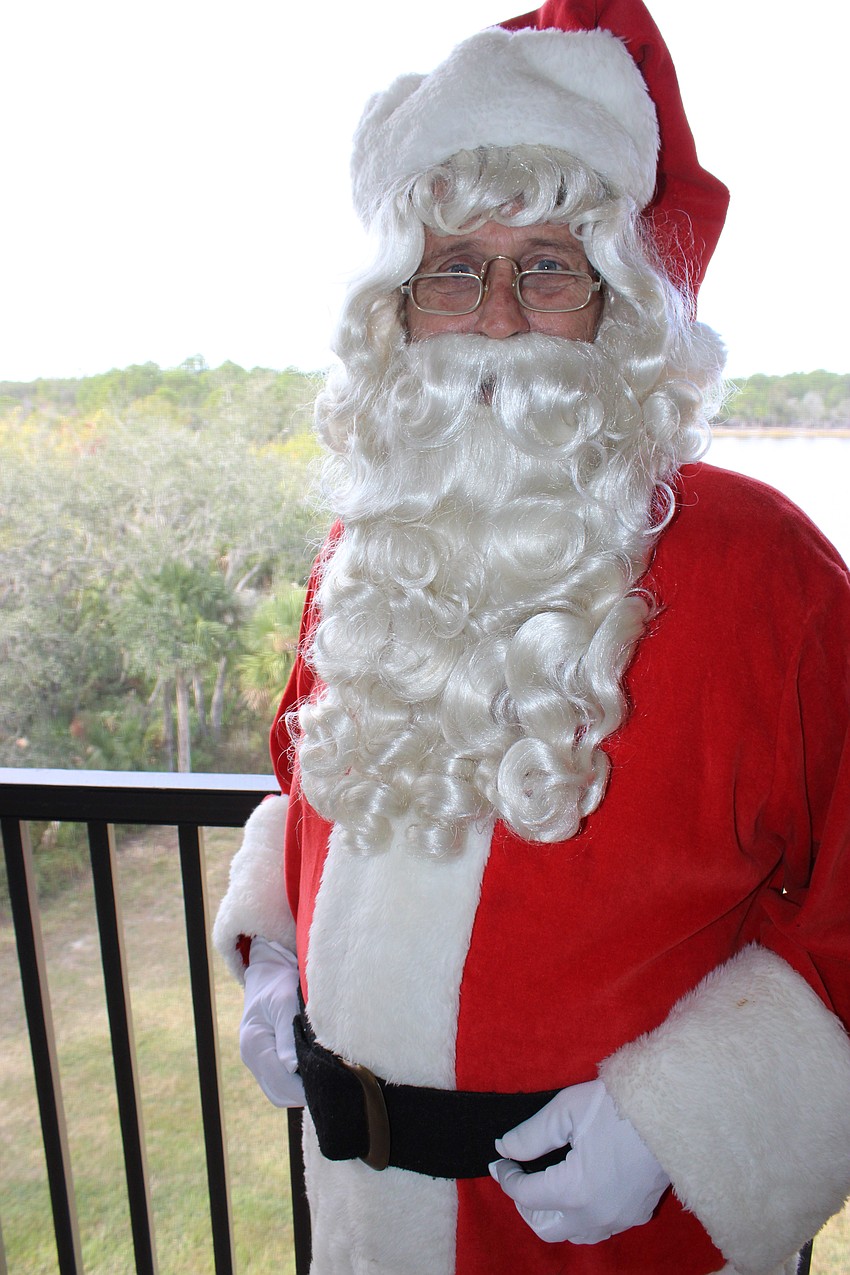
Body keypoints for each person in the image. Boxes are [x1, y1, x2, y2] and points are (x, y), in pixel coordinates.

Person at [214, 2, 850, 1272]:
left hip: (624, 1243)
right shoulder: (365, 546)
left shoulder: (756, 561)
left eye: (548, 266)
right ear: (396, 312)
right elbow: (310, 785)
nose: (498, 315)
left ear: (615, 308)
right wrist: (272, 954)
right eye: (455, 267)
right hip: (359, 1227)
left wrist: (693, 1124)